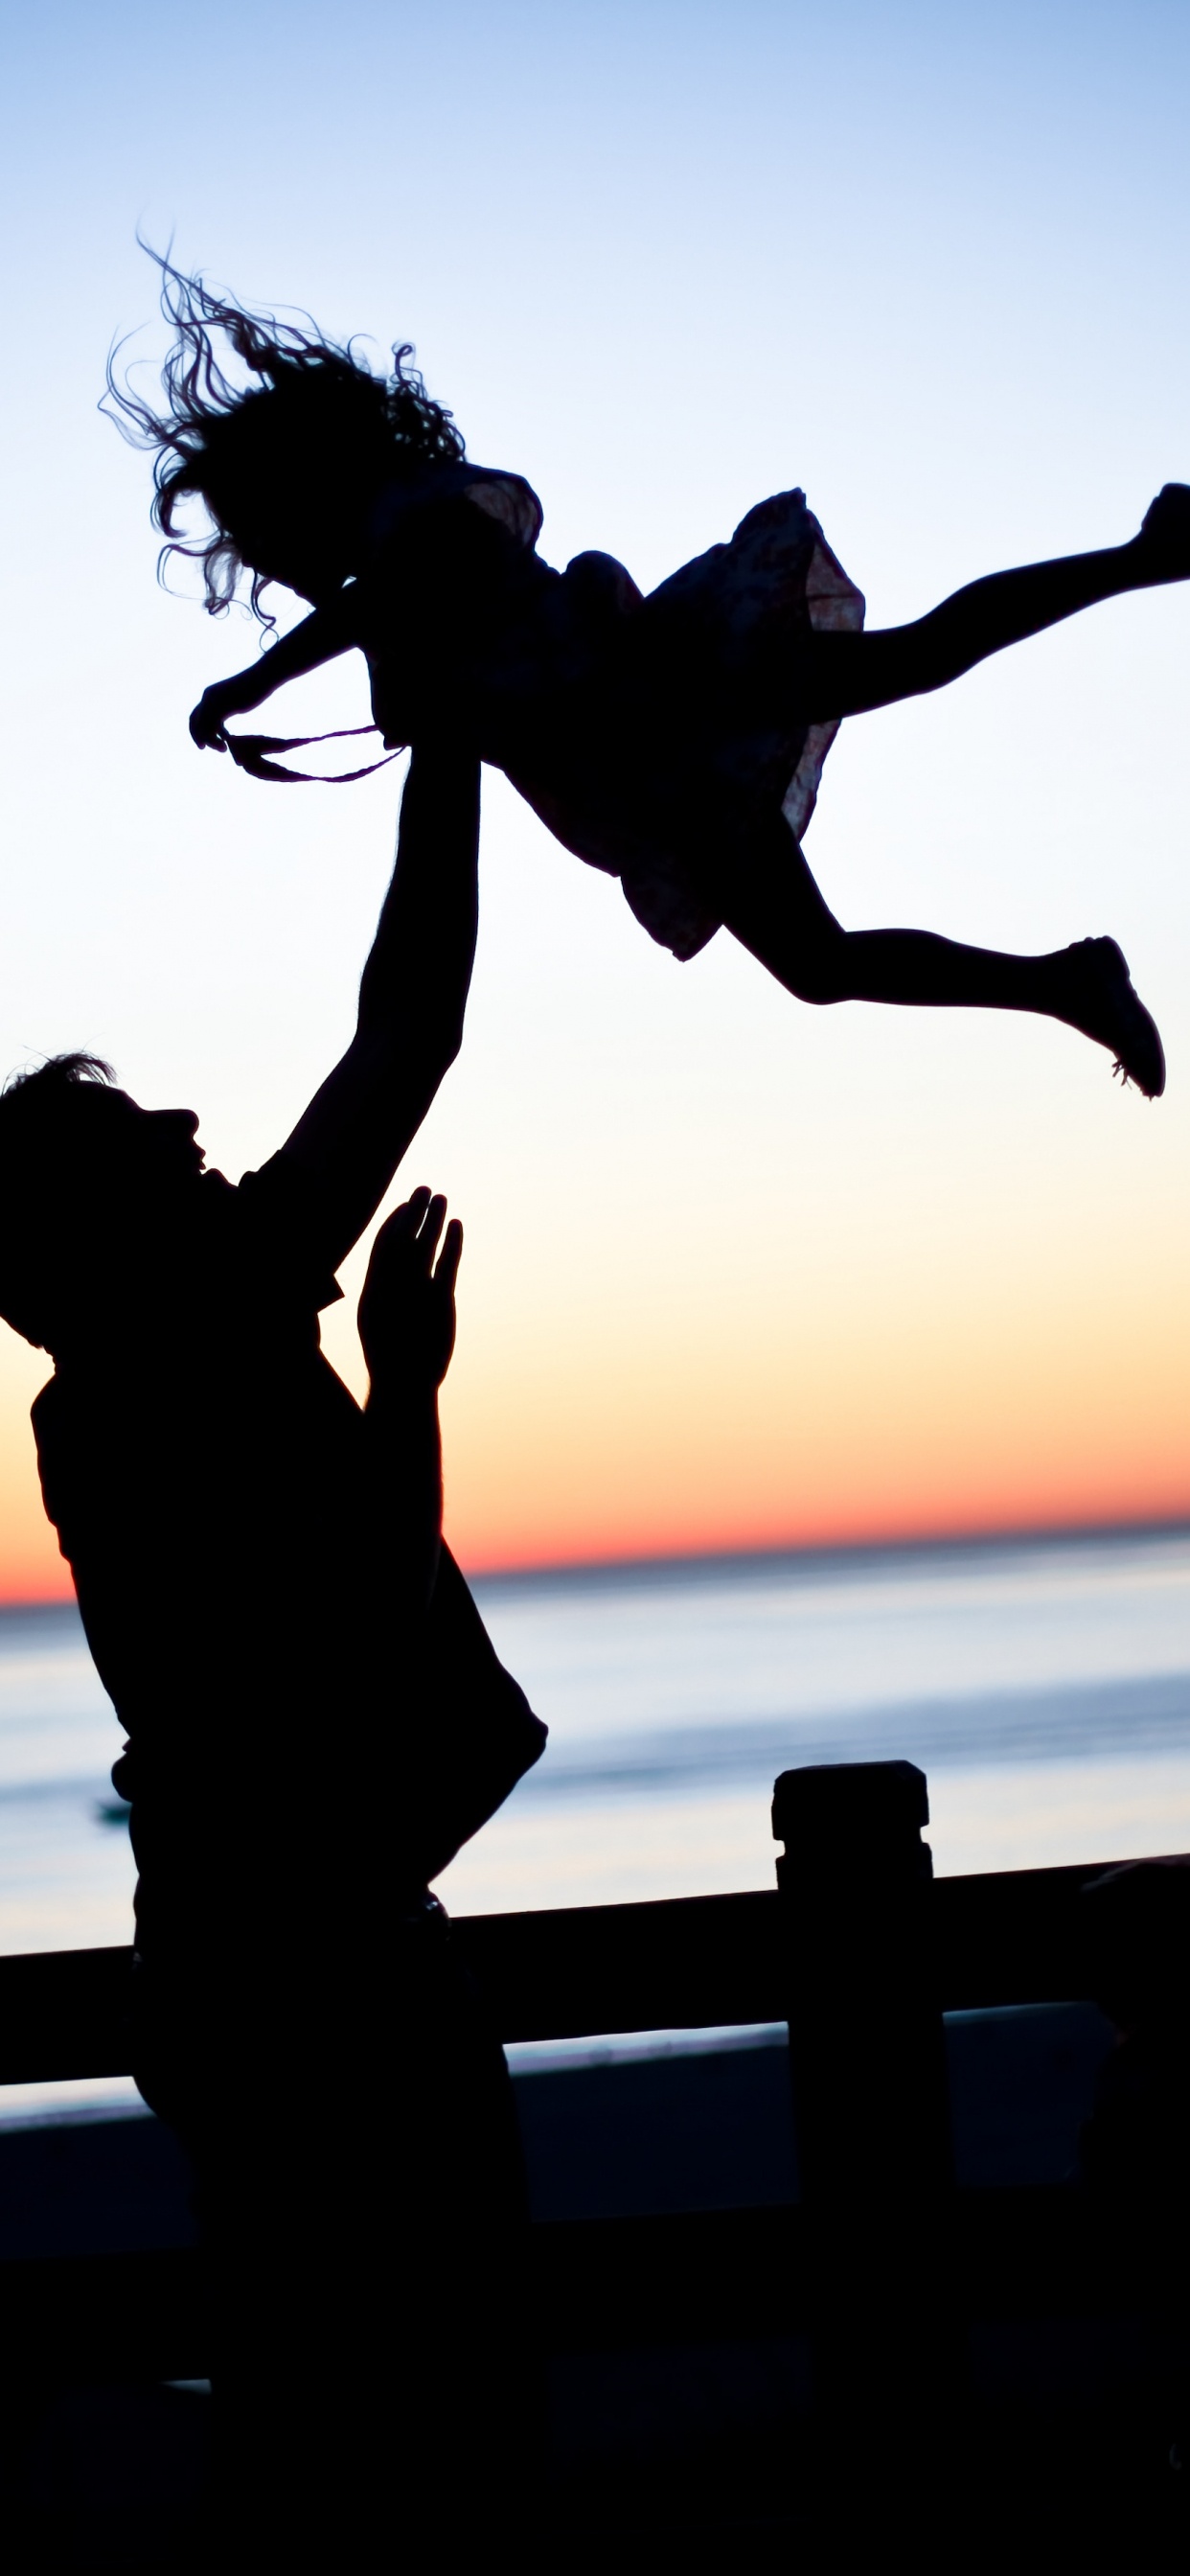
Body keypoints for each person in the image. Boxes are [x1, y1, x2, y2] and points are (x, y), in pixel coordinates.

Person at [0, 745, 545, 2551]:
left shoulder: (112, 1390)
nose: (197, 1133)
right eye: (155, 1137)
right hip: (314, 1963)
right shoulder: (195, 1340)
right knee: (409, 2415)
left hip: (242, 1952)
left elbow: (409, 1022)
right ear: (111, 1228)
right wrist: (400, 1382)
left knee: (318, 2394)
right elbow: (412, 1021)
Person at [106, 255, 1190, 1097]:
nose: (261, 558)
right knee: (820, 961)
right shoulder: (397, 564)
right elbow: (407, 676)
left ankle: (1151, 555)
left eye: (256, 528)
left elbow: (378, 611)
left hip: (673, 697)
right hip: (652, 777)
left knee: (918, 660)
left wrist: (251, 686)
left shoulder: (414, 526)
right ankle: (1064, 982)